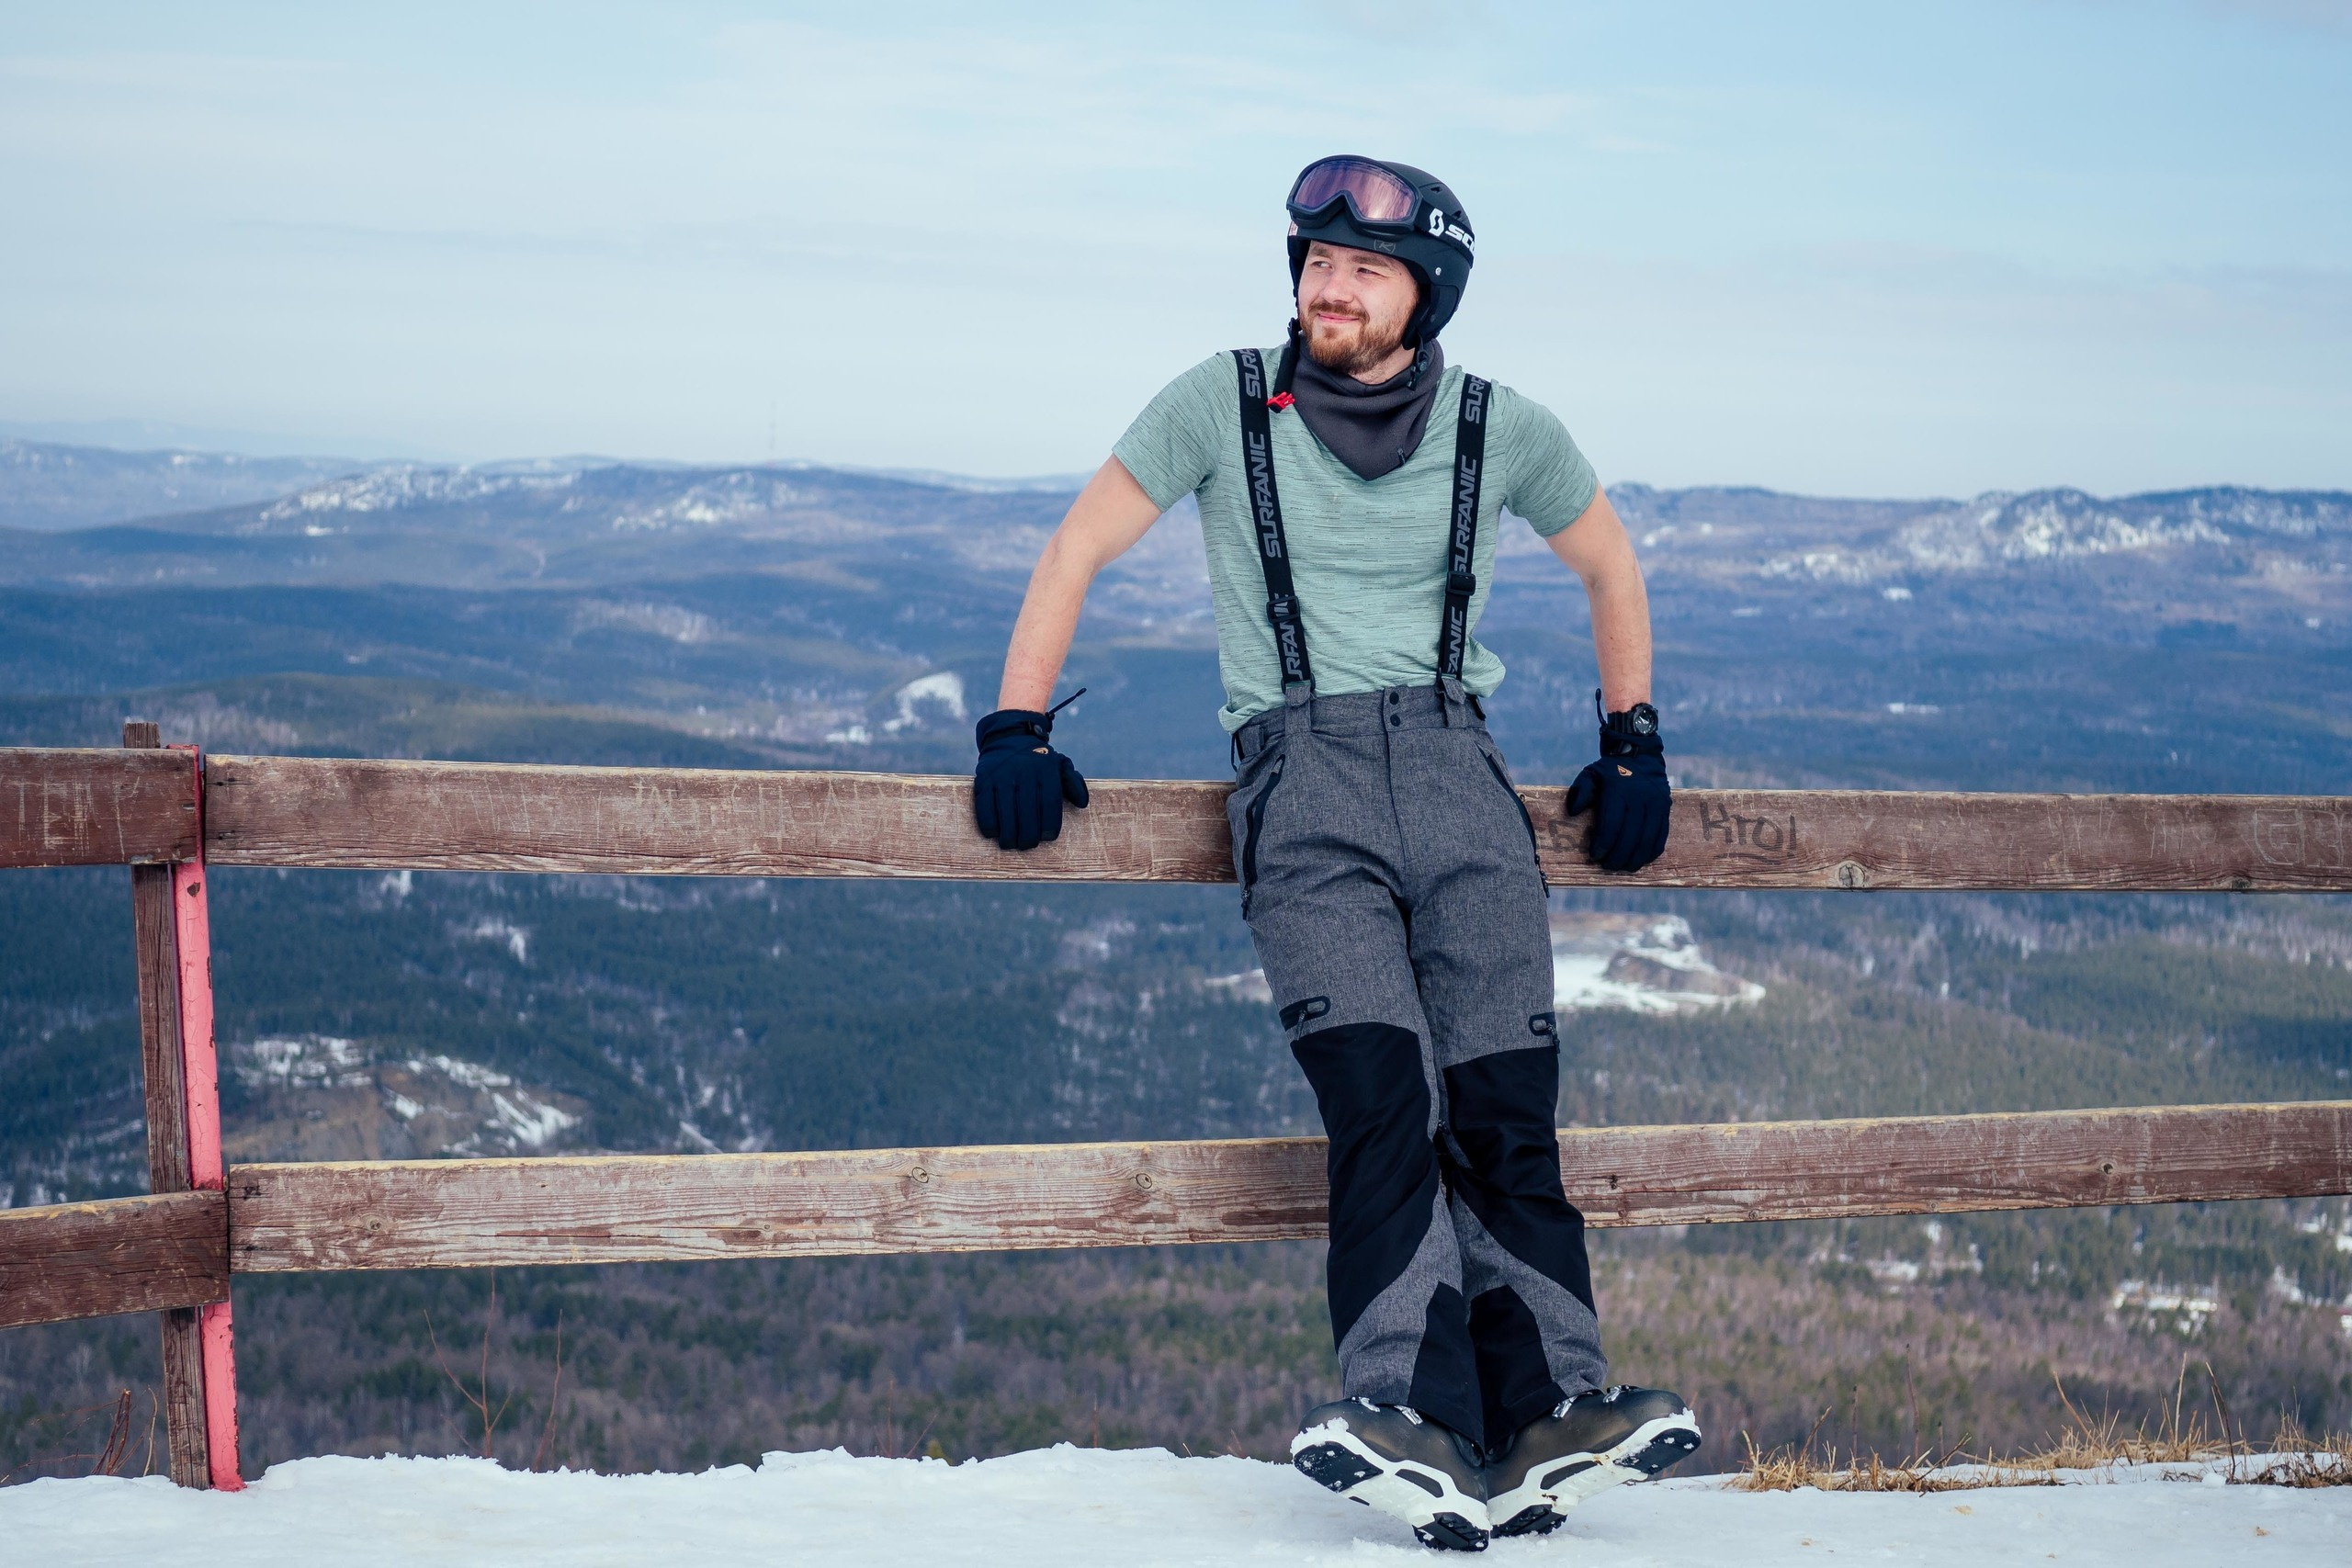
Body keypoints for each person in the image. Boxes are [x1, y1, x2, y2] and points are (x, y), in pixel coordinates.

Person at [971, 155, 1699, 1551]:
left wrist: (1633, 741)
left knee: (1502, 1108)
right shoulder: (1222, 402)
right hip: (1299, 784)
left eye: (1361, 269)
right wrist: (1015, 723)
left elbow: (1612, 564)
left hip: (1461, 775)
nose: (1328, 286)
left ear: (1428, 291)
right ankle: (1404, 1420)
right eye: (1313, 262)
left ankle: (1551, 1414)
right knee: (1381, 1100)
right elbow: (1076, 549)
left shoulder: (1501, 426)